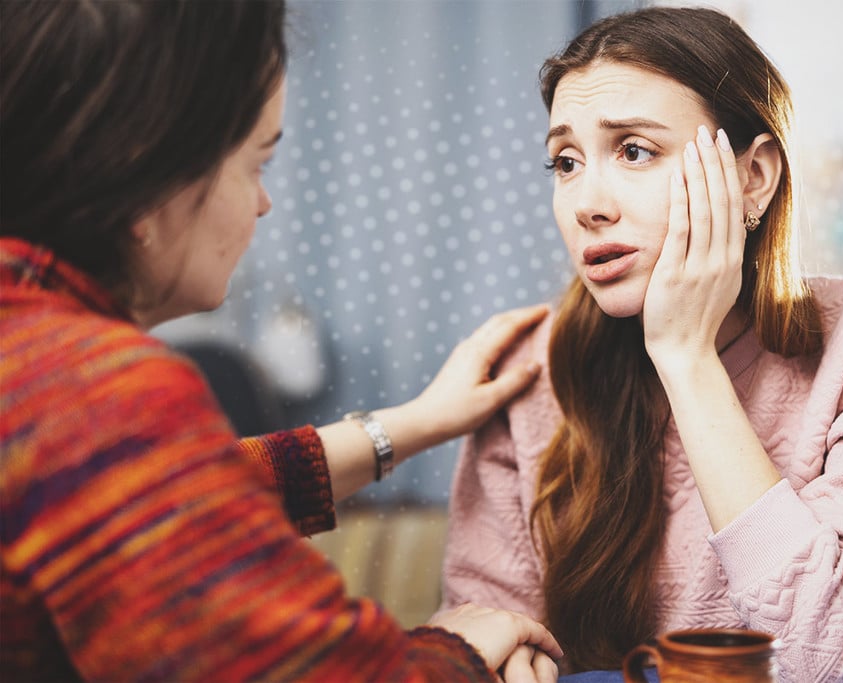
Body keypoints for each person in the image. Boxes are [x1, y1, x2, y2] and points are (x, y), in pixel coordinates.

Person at [0, 2, 563, 682]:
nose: (264, 203)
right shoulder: (93, 391)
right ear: (146, 173)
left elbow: (176, 490)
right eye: (257, 165)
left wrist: (417, 421)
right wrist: (456, 647)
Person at [441, 6, 843, 682]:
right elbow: (482, 635)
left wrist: (686, 357)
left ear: (755, 176)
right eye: (565, 162)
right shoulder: (527, 369)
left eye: (634, 150)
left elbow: (825, 651)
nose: (586, 204)